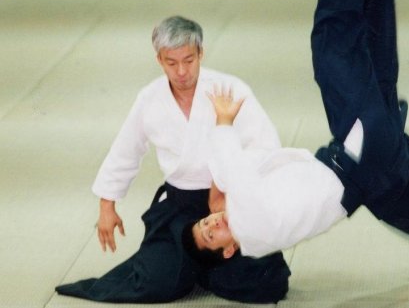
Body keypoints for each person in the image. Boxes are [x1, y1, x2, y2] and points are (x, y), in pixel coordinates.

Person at [182, 0, 409, 261]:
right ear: (229, 250)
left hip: (359, 158)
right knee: (331, 51)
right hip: (357, 158)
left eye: (205, 222)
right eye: (211, 235)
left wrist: (219, 184)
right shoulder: (253, 230)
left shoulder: (255, 212)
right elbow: (238, 174)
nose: (213, 223)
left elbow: (255, 160)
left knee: (375, 62)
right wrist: (224, 123)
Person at [55, 16, 290, 303]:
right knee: (154, 284)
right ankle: (196, 267)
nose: (181, 71)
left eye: (188, 60)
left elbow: (265, 146)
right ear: (159, 60)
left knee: (269, 283)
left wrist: (227, 185)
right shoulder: (150, 98)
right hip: (179, 209)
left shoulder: (230, 89)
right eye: (171, 62)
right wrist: (107, 205)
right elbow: (126, 150)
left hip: (228, 207)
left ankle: (197, 271)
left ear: (201, 52)